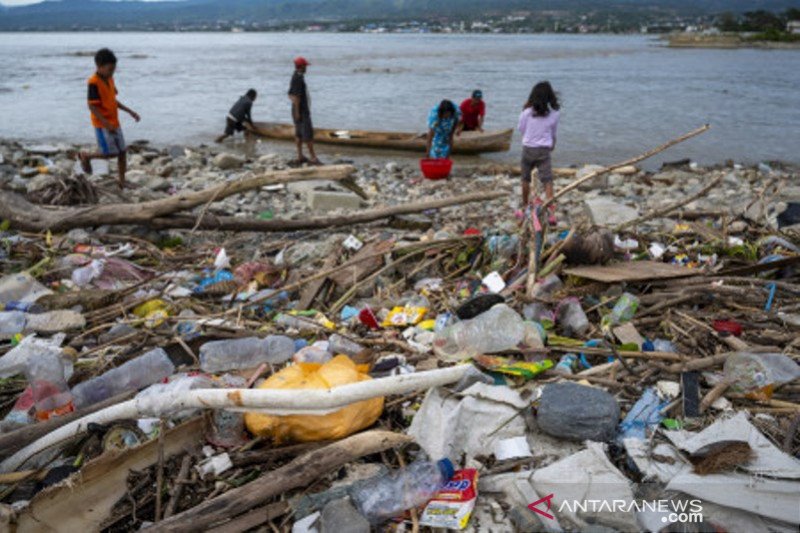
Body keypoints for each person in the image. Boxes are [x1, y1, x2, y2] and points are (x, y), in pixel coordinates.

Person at [78, 48, 140, 189]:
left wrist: (130, 111)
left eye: (114, 69)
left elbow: (112, 100)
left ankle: (122, 181)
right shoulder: (93, 82)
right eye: (110, 69)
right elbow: (92, 106)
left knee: (122, 152)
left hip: (114, 122)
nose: (112, 72)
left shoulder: (110, 79)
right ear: (99, 66)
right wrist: (106, 124)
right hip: (102, 124)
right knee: (109, 153)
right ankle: (86, 156)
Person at [518, 81, 560, 225]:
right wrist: (552, 144)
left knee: (525, 179)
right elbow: (553, 133)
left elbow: (521, 129)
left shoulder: (526, 113)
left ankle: (524, 207)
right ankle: (551, 213)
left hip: (528, 148)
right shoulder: (554, 115)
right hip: (544, 150)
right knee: (547, 181)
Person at [288, 56, 321, 165]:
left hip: (297, 109)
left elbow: (290, 94)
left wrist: (295, 107)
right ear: (301, 66)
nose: (306, 68)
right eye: (305, 66)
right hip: (301, 111)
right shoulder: (298, 79)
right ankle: (313, 157)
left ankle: (300, 155)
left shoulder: (295, 76)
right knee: (308, 135)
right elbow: (296, 97)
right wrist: (298, 112)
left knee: (299, 134)